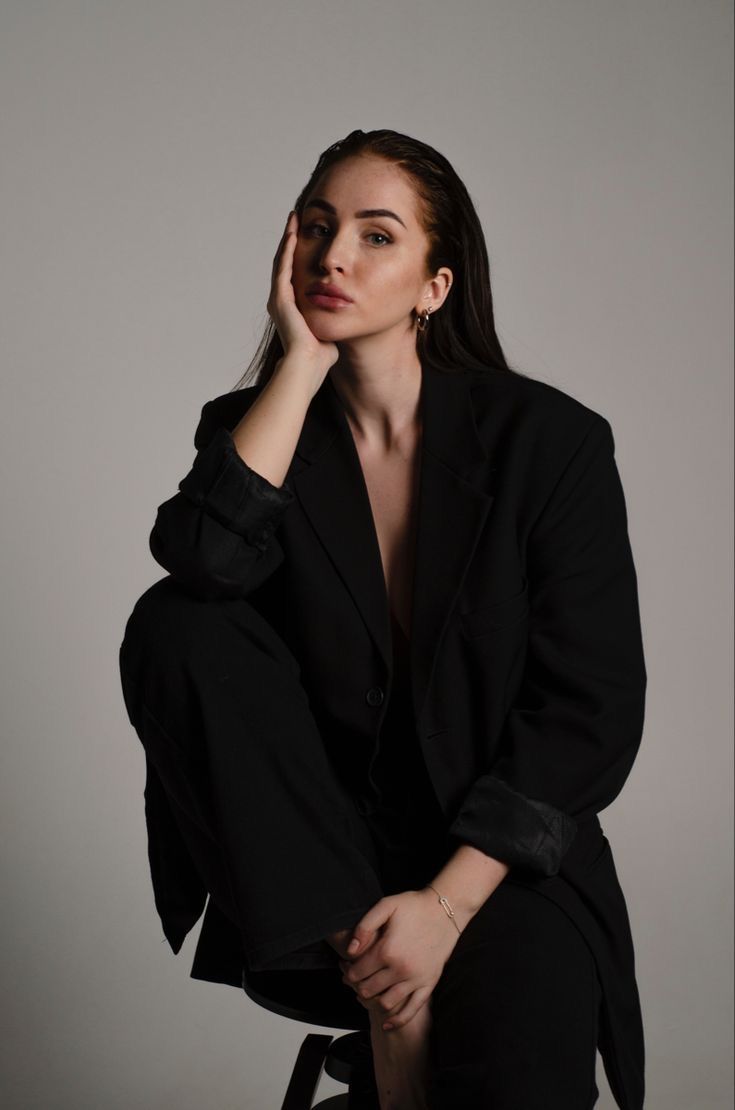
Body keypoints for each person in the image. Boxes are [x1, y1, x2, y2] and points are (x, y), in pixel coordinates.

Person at [119, 128, 647, 1110]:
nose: (333, 257)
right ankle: (381, 1005)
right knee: (177, 620)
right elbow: (200, 572)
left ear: (435, 285)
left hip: (500, 865)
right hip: (329, 872)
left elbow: (593, 712)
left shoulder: (552, 446)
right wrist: (299, 364)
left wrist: (445, 910)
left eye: (375, 236)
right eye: (316, 230)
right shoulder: (259, 434)